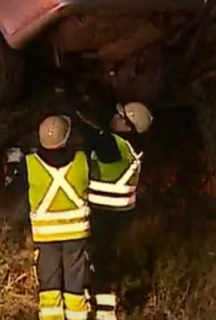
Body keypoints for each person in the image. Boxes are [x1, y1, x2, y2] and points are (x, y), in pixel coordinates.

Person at [8, 115, 92, 320]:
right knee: (75, 285)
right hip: (76, 233)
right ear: (67, 138)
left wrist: (13, 165)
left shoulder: (29, 164)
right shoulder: (83, 159)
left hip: (46, 236)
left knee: (49, 285)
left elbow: (13, 189)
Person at [87, 102, 153, 320]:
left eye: (118, 115)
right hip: (121, 214)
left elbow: (91, 136)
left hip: (105, 213)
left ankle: (104, 313)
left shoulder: (114, 145)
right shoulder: (133, 146)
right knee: (107, 261)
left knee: (101, 262)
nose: (113, 117)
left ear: (127, 125)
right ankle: (104, 307)